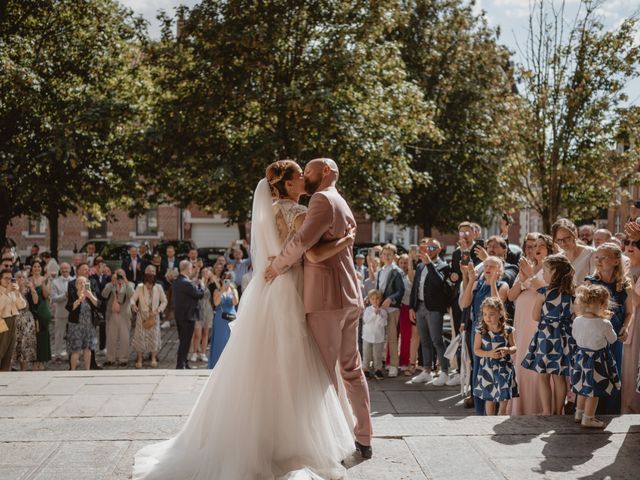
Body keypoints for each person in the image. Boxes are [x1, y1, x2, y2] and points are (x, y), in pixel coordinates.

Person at [133, 160, 359, 479]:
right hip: (290, 286)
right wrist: (346, 240)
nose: (305, 181)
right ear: (288, 184)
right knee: (292, 363)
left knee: (264, 362)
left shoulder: (276, 210)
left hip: (270, 288)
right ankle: (288, 442)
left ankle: (266, 439)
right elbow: (311, 252)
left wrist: (277, 263)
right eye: (299, 177)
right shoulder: (298, 213)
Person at [521, 254, 576, 415]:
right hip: (564, 338)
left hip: (546, 337)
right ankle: (558, 411)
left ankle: (546, 411)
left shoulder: (544, 292)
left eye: (545, 271)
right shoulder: (572, 293)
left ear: (555, 273)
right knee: (559, 376)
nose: (543, 274)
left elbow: (535, 316)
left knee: (543, 376)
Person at [584, 242, 633, 414]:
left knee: (613, 373)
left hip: (614, 338)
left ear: (615, 261)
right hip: (594, 337)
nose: (598, 260)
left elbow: (629, 312)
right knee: (593, 373)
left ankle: (610, 413)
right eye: (596, 257)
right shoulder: (590, 282)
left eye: (603, 257)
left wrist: (626, 328)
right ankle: (589, 412)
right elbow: (581, 310)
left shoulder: (625, 285)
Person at [508, 234, 553, 415]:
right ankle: (520, 407)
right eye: (533, 246)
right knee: (521, 361)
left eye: (540, 245)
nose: (536, 249)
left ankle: (539, 407)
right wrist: (523, 278)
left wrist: (531, 275)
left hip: (537, 321)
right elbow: (511, 296)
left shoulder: (552, 267)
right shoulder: (527, 266)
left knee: (536, 363)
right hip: (521, 320)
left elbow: (548, 292)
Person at [460, 256, 509, 415]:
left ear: (500, 270)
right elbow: (464, 304)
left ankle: (494, 412)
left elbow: (498, 305)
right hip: (478, 329)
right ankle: (480, 412)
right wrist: (470, 280)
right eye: (486, 265)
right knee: (478, 369)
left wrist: (493, 283)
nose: (488, 268)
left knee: (494, 369)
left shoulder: (503, 285)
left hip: (495, 331)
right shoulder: (477, 284)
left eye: (493, 266)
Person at [571, 284, 621, 428]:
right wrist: (608, 322)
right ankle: (588, 418)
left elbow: (575, 336)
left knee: (583, 388)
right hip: (597, 361)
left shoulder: (577, 320)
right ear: (601, 305)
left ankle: (579, 414)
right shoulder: (604, 323)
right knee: (594, 390)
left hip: (581, 358)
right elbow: (612, 339)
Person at [409, 239, 454, 385]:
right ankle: (427, 370)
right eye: (427, 246)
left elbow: (439, 283)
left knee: (437, 340)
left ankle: (445, 371)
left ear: (439, 249)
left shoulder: (443, 266)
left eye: (432, 247)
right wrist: (412, 307)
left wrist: (429, 264)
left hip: (434, 308)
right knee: (425, 340)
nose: (429, 249)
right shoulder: (421, 265)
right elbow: (415, 287)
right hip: (420, 307)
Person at [473, 297, 517, 415]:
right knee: (489, 397)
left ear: (500, 313)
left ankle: (501, 415)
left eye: (491, 314)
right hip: (488, 368)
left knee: (503, 396)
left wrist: (507, 350)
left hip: (504, 368)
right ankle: (489, 419)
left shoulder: (507, 330)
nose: (488, 317)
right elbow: (476, 350)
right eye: (485, 314)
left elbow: (514, 348)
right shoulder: (481, 332)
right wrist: (489, 354)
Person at [376, 243, 405, 378]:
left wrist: (391, 299)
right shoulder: (381, 271)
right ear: (381, 256)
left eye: (389, 254)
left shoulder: (396, 271)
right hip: (380, 308)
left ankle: (394, 365)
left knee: (392, 338)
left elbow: (400, 290)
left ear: (394, 256)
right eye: (384, 254)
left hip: (392, 308)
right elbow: (379, 289)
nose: (387, 257)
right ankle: (379, 364)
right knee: (379, 337)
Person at [132, 265, 167, 369]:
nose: (149, 287)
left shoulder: (158, 287)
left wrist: (158, 310)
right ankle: (139, 359)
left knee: (154, 337)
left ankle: (153, 358)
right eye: (147, 285)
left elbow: (164, 301)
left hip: (154, 316)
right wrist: (133, 305)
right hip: (141, 316)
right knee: (140, 337)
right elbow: (133, 299)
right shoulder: (139, 287)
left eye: (150, 285)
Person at [172, 260, 205, 370]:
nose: (192, 270)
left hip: (181, 315)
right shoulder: (186, 282)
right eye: (191, 268)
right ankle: (180, 364)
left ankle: (183, 362)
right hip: (187, 316)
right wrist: (202, 285)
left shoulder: (177, 280)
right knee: (185, 341)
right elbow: (199, 294)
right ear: (187, 268)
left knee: (184, 340)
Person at [102, 269, 135, 367]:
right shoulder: (110, 284)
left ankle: (123, 359)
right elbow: (104, 294)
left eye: (122, 275)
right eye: (118, 275)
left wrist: (125, 281)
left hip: (124, 314)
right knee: (111, 337)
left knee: (124, 337)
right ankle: (110, 358)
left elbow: (131, 294)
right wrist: (112, 283)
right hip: (112, 314)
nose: (119, 277)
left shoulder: (130, 284)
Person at [65, 276, 99, 370]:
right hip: (76, 326)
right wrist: (79, 299)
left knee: (88, 349)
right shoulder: (73, 295)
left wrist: (90, 295)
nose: (82, 284)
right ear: (76, 285)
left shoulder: (91, 294)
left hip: (89, 325)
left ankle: (87, 370)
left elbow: (98, 305)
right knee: (75, 350)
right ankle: (73, 370)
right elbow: (70, 308)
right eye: (80, 283)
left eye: (84, 283)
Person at [622, 237, 640, 413]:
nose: (629, 246)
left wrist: (630, 282)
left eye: (635, 243)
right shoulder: (625, 267)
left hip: (638, 322)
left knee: (633, 366)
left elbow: (637, 301)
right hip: (625, 321)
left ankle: (632, 409)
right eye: (627, 242)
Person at [208, 272, 238, 369]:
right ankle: (218, 365)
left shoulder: (234, 290)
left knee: (231, 341)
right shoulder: (217, 291)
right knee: (220, 341)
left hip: (232, 318)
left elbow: (236, 302)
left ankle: (231, 364)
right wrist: (222, 291)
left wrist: (232, 290)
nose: (226, 281)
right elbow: (216, 303)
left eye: (228, 279)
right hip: (220, 319)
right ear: (221, 280)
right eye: (224, 279)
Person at [552, 218, 595, 286]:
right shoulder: (558, 258)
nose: (563, 243)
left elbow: (595, 282)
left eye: (567, 239)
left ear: (575, 234)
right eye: (559, 240)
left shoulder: (591, 253)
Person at [0, 268, 27, 370]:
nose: (8, 281)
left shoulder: (13, 291)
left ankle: (4, 373)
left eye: (10, 278)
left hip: (13, 321)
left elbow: (22, 306)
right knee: (1, 348)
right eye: (5, 278)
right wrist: (6, 292)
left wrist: (17, 293)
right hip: (2, 321)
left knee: (9, 350)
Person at [397, 253, 418, 376]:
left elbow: (411, 279)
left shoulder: (412, 273)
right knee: (401, 336)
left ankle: (407, 361)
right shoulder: (397, 274)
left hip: (409, 306)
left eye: (406, 262)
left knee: (408, 336)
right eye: (401, 262)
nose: (403, 265)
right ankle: (401, 360)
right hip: (400, 307)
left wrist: (410, 262)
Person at [29, 260, 52, 370]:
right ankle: (34, 361)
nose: (37, 268)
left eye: (39, 266)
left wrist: (43, 282)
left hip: (43, 310)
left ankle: (42, 361)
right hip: (32, 310)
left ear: (42, 268)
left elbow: (46, 295)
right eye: (35, 266)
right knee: (33, 337)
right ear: (32, 268)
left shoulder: (46, 279)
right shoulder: (28, 280)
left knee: (43, 336)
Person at [13, 271, 37, 370]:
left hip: (27, 321)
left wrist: (32, 288)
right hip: (15, 319)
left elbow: (35, 301)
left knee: (25, 345)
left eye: (23, 277)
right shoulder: (12, 290)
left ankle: (24, 370)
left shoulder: (28, 291)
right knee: (14, 344)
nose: (21, 279)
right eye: (19, 277)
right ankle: (10, 368)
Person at [362, 289, 387, 380]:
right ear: (369, 300)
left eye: (377, 299)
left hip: (378, 337)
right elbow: (366, 320)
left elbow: (383, 323)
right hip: (367, 336)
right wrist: (374, 314)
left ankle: (378, 370)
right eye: (372, 299)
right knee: (367, 354)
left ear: (380, 300)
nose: (375, 300)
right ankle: (366, 369)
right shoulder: (368, 310)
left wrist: (379, 315)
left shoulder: (383, 311)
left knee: (377, 355)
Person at [191, 267, 214, 364]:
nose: (205, 274)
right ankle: (195, 353)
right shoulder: (197, 283)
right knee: (197, 334)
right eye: (204, 272)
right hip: (198, 309)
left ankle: (203, 353)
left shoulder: (212, 284)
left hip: (208, 310)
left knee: (206, 333)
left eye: (207, 272)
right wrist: (201, 282)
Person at [51, 263, 72, 362]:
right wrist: (64, 295)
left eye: (66, 268)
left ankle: (72, 353)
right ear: (60, 270)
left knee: (72, 334)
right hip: (61, 312)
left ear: (70, 269)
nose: (64, 270)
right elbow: (54, 298)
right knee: (59, 334)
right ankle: (58, 354)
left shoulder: (75, 280)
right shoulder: (55, 282)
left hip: (73, 312)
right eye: (63, 268)